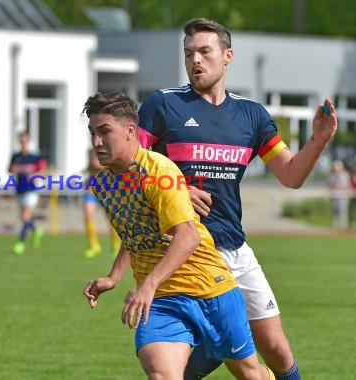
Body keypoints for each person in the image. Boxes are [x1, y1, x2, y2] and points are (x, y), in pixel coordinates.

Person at [137, 18, 337, 380]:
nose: (195, 60)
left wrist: (318, 141)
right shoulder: (162, 106)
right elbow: (130, 170)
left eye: (204, 51)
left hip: (235, 249)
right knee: (197, 363)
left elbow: (290, 175)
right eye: (188, 53)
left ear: (227, 56)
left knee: (276, 349)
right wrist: (175, 189)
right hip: (187, 252)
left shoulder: (252, 116)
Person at [82, 91, 275, 380]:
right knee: (163, 375)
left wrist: (147, 285)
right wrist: (114, 277)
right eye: (93, 133)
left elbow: (188, 236)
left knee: (252, 375)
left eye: (105, 132)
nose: (97, 142)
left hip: (211, 290)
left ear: (130, 131)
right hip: (162, 301)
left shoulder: (159, 171)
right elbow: (136, 231)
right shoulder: (104, 185)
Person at [8, 131, 47, 255]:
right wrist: (14, 169)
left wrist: (34, 175)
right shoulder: (16, 156)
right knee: (24, 217)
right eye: (21, 139)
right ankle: (36, 230)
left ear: (28, 140)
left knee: (25, 216)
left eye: (25, 139)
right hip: (20, 189)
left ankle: (21, 243)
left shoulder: (35, 157)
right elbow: (9, 169)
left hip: (31, 190)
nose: (23, 142)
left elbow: (43, 171)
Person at [83, 148, 121, 258]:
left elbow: (101, 166)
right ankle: (94, 246)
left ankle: (115, 244)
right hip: (91, 188)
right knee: (88, 215)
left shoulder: (110, 151)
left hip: (106, 189)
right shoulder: (91, 151)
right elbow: (92, 167)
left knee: (111, 218)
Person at [328, 160, 351, 229]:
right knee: (334, 211)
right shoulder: (332, 176)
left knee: (343, 211)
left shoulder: (345, 175)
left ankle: (344, 226)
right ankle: (334, 226)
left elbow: (347, 185)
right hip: (335, 195)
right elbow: (330, 185)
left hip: (343, 196)